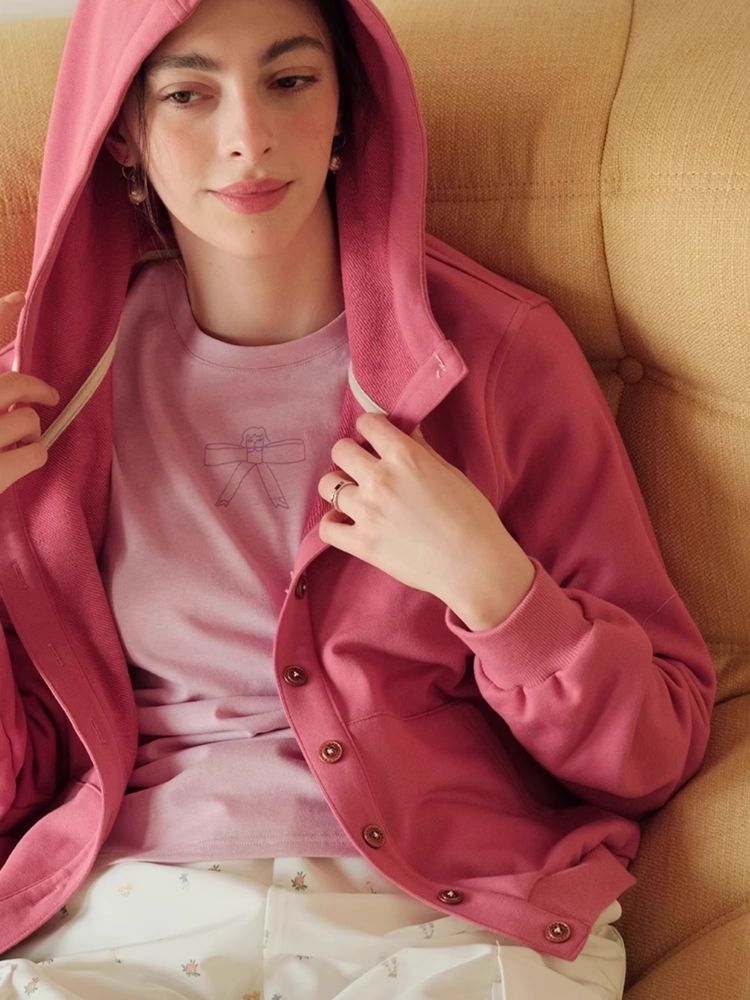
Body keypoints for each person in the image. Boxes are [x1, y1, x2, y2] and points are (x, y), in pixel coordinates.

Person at [0, 0, 715, 996]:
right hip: (127, 916)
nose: (248, 135)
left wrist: (495, 585)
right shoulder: (37, 400)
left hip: (449, 917)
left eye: (290, 81)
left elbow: (654, 750)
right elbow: (17, 780)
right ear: (122, 129)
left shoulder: (498, 354)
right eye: (188, 95)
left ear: (349, 105)